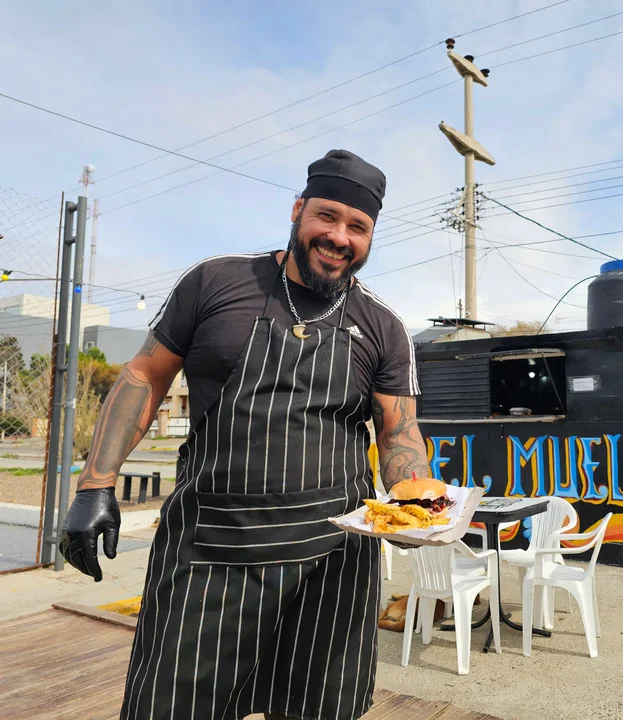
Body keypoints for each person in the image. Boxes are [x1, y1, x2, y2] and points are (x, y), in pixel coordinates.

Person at [58, 149, 433, 720]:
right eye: (326, 217)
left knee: (318, 709)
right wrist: (94, 484)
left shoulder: (384, 327)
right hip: (211, 551)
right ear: (298, 209)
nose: (339, 236)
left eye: (357, 226)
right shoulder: (216, 282)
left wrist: (418, 505)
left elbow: (399, 431)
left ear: (370, 236)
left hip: (330, 562)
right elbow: (144, 375)